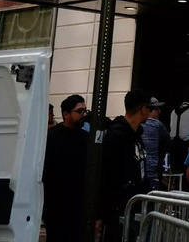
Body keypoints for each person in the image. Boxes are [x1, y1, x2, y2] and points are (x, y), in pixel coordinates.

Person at [99, 89, 153, 242]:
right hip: (120, 210)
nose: (151, 112)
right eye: (149, 108)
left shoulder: (136, 134)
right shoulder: (116, 136)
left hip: (134, 206)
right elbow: (107, 176)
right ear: (142, 109)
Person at [43, 95, 87, 242]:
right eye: (80, 111)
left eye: (85, 111)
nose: (84, 115)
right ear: (66, 114)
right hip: (56, 205)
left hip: (78, 205)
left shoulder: (85, 138)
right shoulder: (51, 137)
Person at [140, 96, 170, 190]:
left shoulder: (138, 124)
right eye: (157, 109)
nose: (159, 112)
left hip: (139, 170)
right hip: (153, 170)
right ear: (150, 110)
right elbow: (167, 144)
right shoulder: (158, 125)